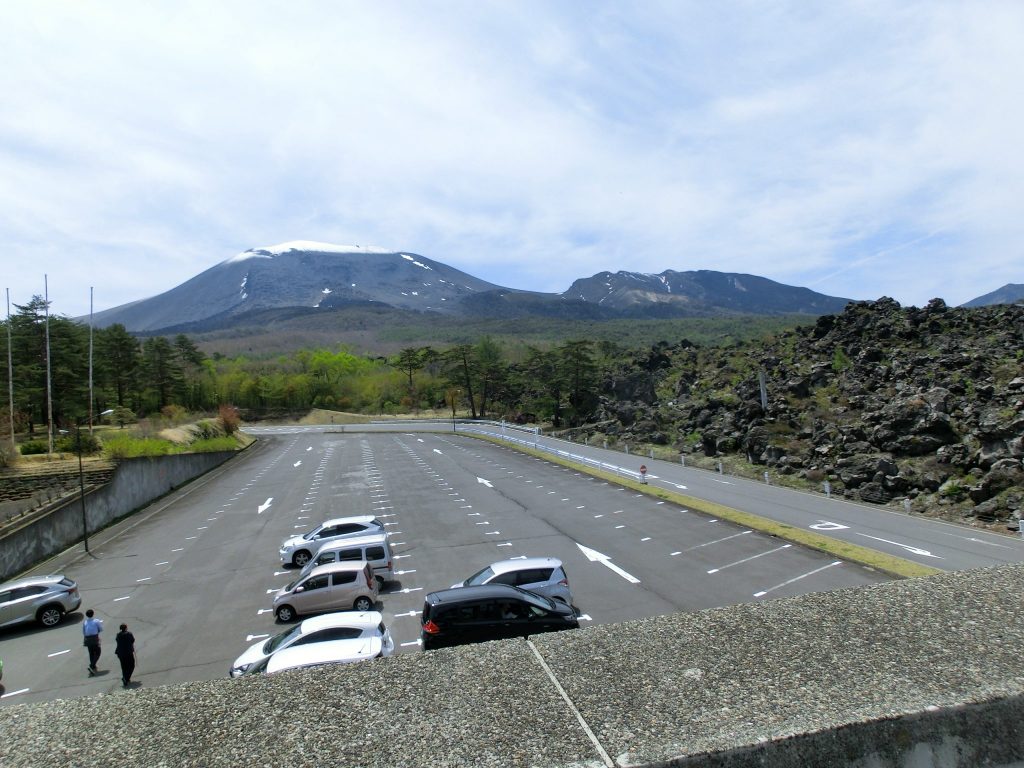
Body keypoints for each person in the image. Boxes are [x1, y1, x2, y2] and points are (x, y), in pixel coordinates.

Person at [115, 623, 136, 688]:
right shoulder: (129, 634)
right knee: (131, 665)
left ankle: (125, 678)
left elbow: (117, 641)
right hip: (128, 652)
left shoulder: (118, 635)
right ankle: (126, 678)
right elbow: (133, 640)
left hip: (120, 653)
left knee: (124, 666)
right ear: (126, 628)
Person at [82, 609, 103, 675]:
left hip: (87, 639)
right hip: (94, 638)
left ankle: (93, 666)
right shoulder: (96, 621)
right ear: (93, 614)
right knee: (98, 652)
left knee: (91, 653)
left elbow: (84, 632)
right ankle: (91, 665)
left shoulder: (85, 622)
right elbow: (100, 629)